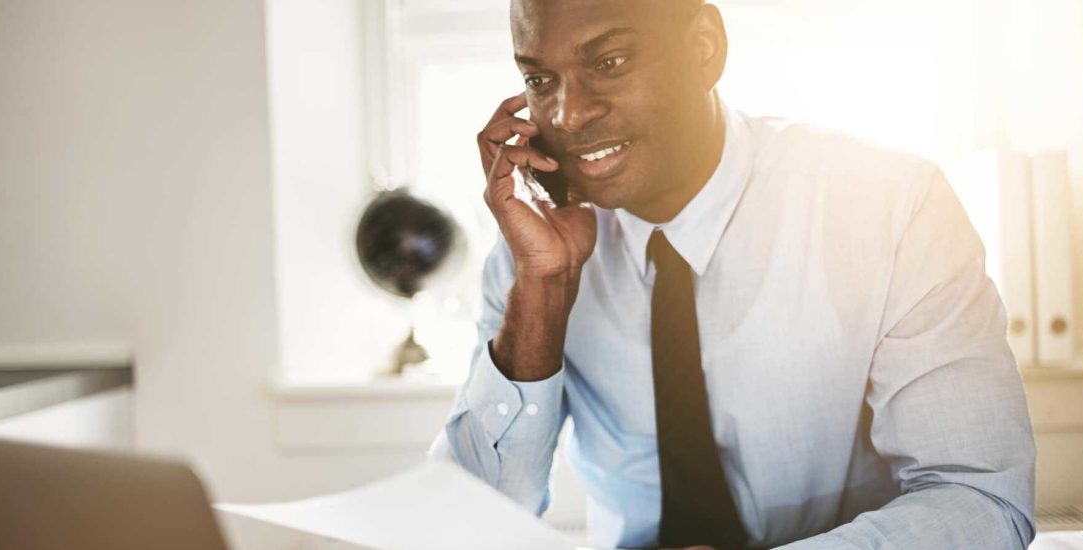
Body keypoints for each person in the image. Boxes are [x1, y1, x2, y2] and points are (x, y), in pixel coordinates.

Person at [428, 0, 1037, 548]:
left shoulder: (892, 205)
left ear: (704, 49)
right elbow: (466, 526)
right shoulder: (533, 253)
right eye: (539, 79)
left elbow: (982, 503)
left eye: (610, 62)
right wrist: (542, 290)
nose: (569, 114)